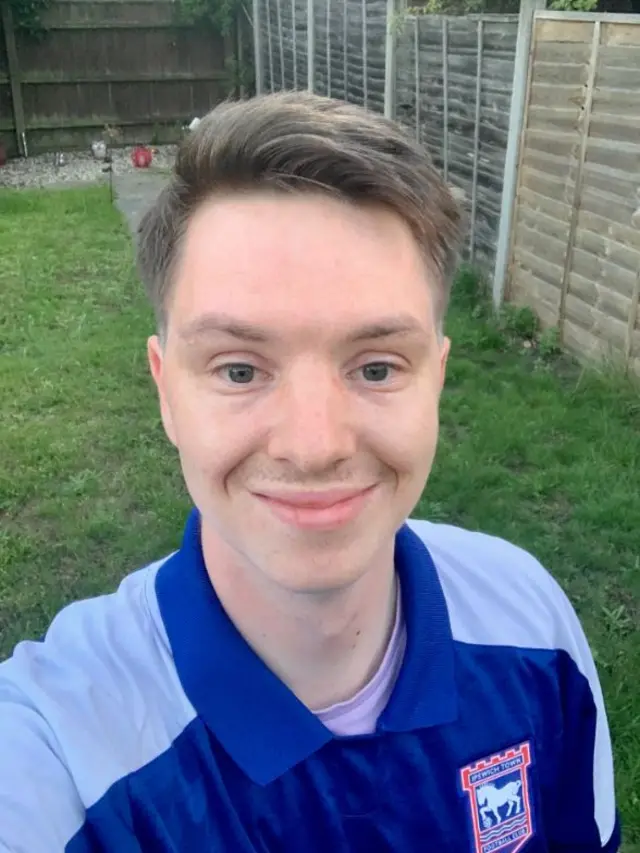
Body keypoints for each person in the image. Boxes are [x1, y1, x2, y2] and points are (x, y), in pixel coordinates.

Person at [0, 91, 620, 853]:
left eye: (377, 366)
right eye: (238, 370)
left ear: (438, 379)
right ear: (165, 391)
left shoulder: (532, 620)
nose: (315, 444)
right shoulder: (57, 751)